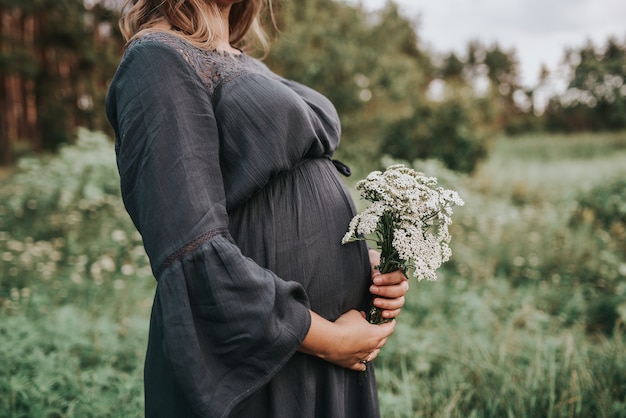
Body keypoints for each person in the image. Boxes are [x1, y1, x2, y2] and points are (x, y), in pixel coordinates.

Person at [105, 0, 410, 417]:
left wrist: (361, 264)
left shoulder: (240, 59)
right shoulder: (156, 58)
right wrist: (332, 341)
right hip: (265, 355)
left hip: (321, 344)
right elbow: (194, 253)